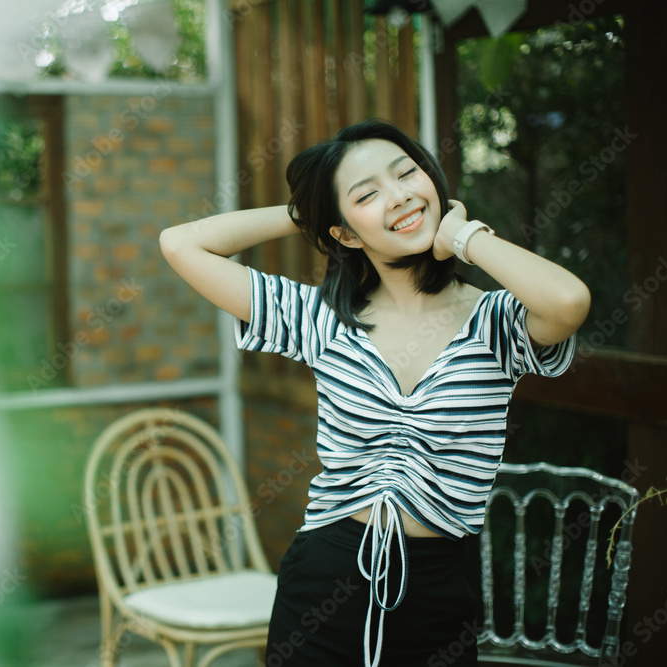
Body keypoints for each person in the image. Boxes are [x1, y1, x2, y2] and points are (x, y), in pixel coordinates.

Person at [158, 119, 590, 666]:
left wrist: (464, 238)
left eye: (408, 173)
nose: (400, 195)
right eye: (367, 195)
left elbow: (569, 303)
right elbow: (181, 243)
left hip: (438, 584)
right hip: (324, 574)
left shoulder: (496, 322)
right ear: (345, 234)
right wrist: (309, 214)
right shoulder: (319, 320)